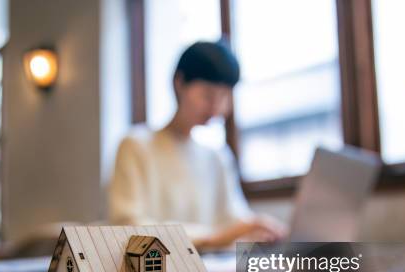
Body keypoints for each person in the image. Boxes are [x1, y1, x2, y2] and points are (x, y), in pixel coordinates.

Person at [108, 40, 286, 250]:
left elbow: (235, 220)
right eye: (208, 95)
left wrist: (258, 229)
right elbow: (127, 226)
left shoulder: (218, 157)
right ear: (179, 83)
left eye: (224, 96)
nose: (216, 107)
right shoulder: (136, 145)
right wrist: (213, 238)